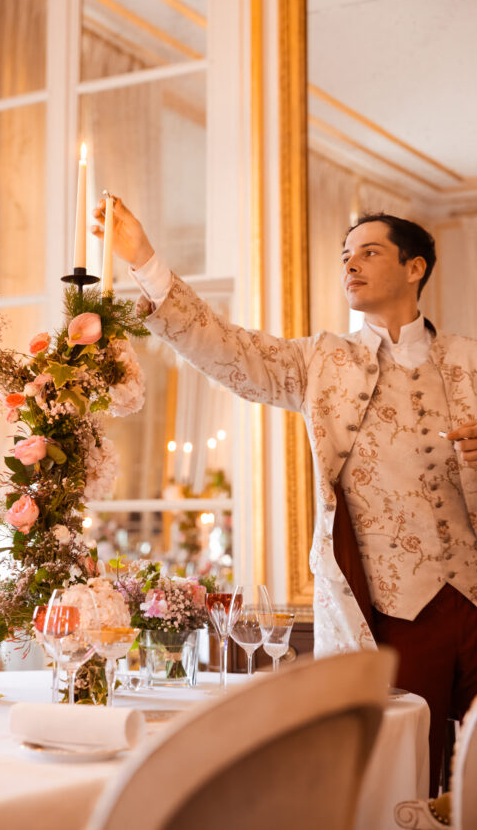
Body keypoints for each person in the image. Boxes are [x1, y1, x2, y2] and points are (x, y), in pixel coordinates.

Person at [92, 200, 477, 801]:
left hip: (472, 600)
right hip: (391, 611)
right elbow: (227, 348)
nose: (351, 265)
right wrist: (144, 261)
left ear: (415, 267)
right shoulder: (322, 360)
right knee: (406, 783)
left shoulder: (469, 358)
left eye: (369, 252)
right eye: (345, 256)